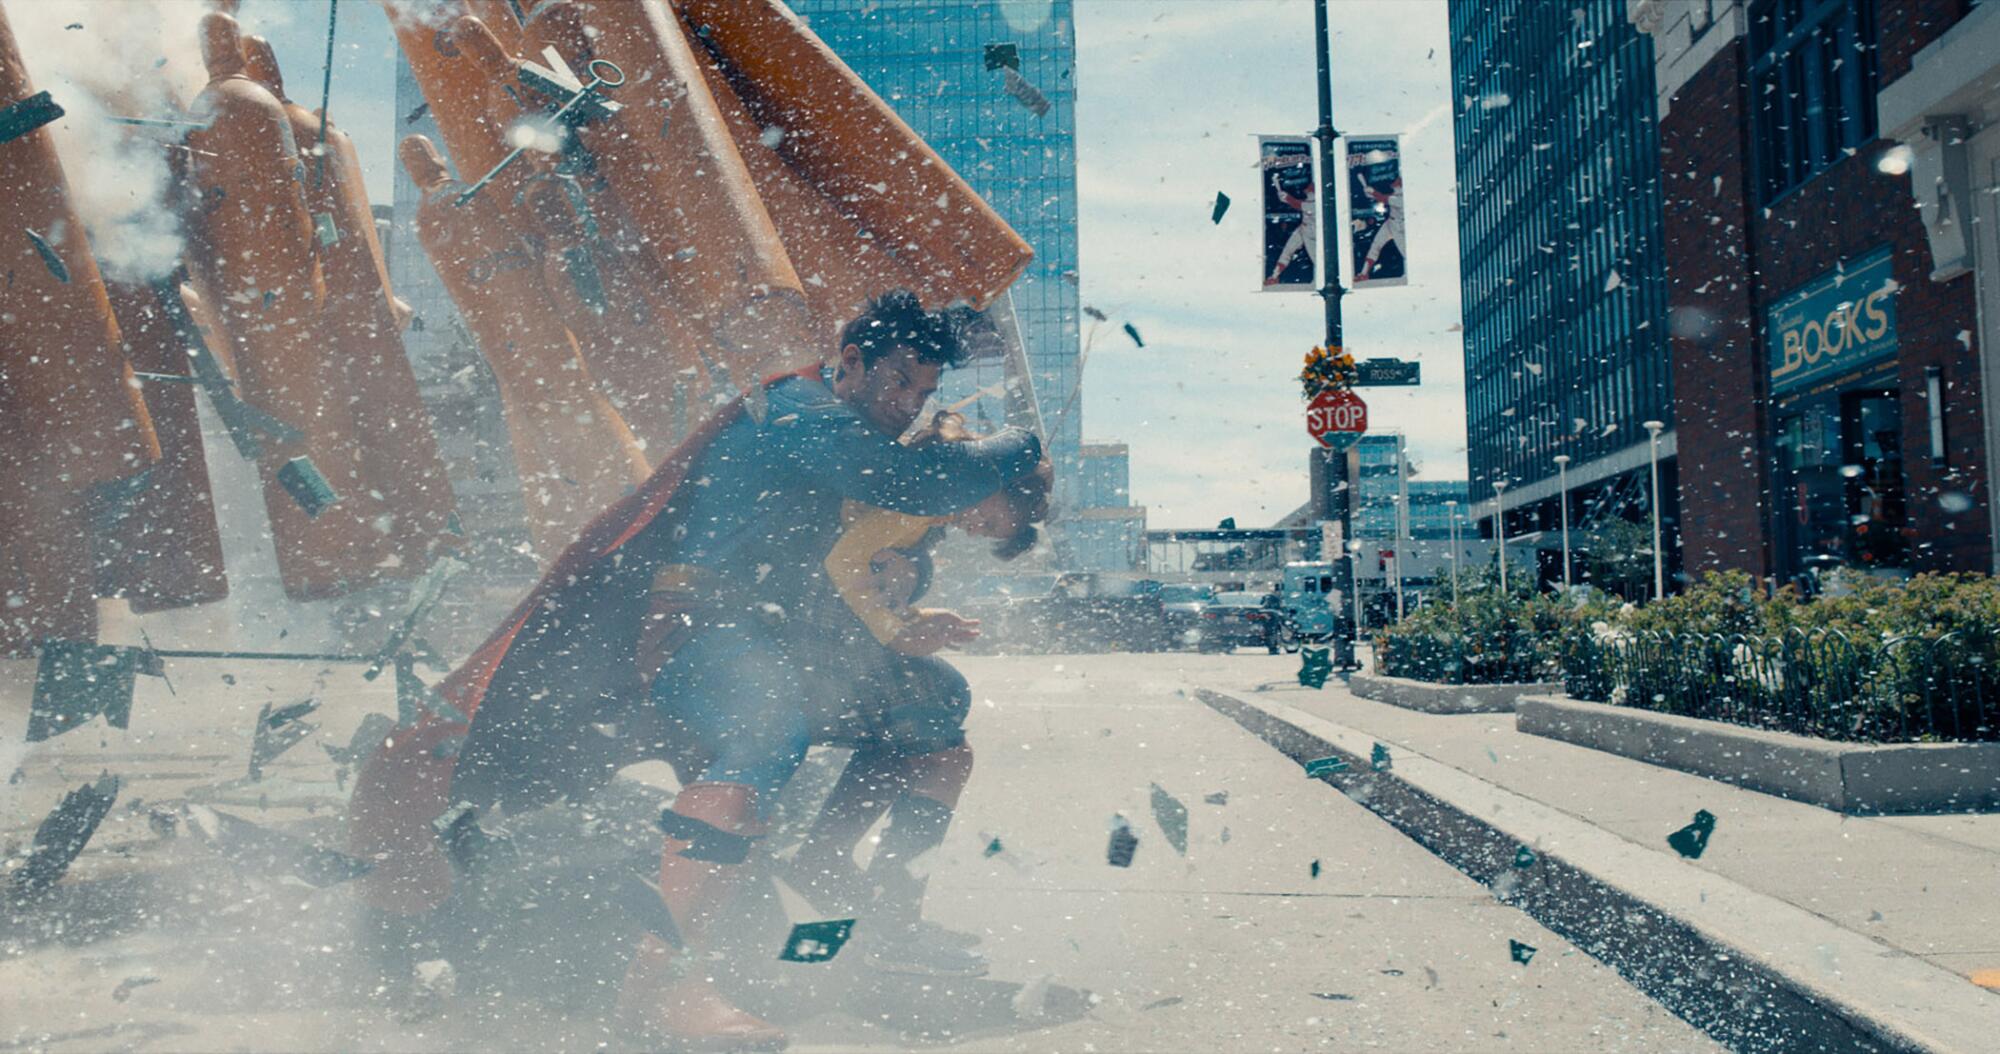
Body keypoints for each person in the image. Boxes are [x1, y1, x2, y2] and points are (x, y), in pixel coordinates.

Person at [346, 291, 1046, 1050]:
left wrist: (906, 573)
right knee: (765, 728)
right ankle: (665, 983)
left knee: (938, 721)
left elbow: (871, 536)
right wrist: (1022, 445)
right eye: (900, 381)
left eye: (924, 392)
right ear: (852, 363)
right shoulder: (794, 408)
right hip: (698, 628)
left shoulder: (845, 435)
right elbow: (911, 487)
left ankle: (871, 904)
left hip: (780, 638)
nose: (910, 404)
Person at [778, 414, 1047, 978]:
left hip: (823, 636)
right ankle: (882, 908)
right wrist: (898, 630)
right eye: (990, 516)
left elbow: (863, 581)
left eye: (986, 531)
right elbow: (841, 564)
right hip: (815, 641)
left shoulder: (925, 506)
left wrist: (918, 617)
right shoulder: (923, 497)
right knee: (941, 723)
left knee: (931, 719)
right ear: (991, 478)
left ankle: (841, 875)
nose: (976, 526)